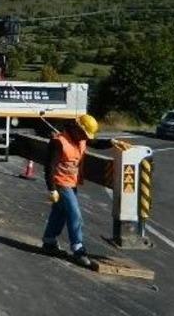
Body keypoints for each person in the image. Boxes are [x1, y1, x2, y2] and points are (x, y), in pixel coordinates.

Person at [41, 114, 125, 268]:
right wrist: (51, 189)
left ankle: (49, 242)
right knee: (75, 215)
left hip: (71, 183)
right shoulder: (59, 142)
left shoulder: (80, 138)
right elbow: (49, 167)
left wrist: (111, 142)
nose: (85, 137)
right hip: (61, 183)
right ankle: (78, 250)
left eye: (86, 135)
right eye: (84, 134)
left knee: (60, 213)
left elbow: (95, 142)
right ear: (76, 128)